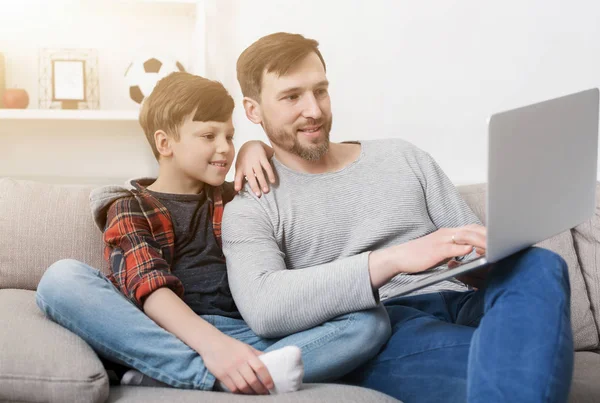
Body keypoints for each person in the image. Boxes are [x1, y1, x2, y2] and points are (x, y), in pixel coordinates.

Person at [222, 32, 574, 403]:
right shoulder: (252, 204)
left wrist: (483, 259)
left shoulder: (402, 156)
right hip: (388, 325)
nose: (314, 110)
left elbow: (473, 251)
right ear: (253, 110)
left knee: (540, 265)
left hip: (468, 302)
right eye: (292, 96)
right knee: (521, 364)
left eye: (320, 91)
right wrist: (395, 259)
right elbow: (264, 308)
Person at [35, 71, 391, 395]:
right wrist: (215, 348)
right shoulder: (129, 205)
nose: (225, 147)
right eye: (209, 135)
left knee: (368, 321)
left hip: (248, 333)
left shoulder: (237, 195)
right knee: (60, 278)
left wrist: (258, 148)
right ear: (165, 143)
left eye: (231, 136)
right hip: (167, 332)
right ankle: (216, 375)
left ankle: (215, 373)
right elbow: (151, 289)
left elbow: (288, 172)